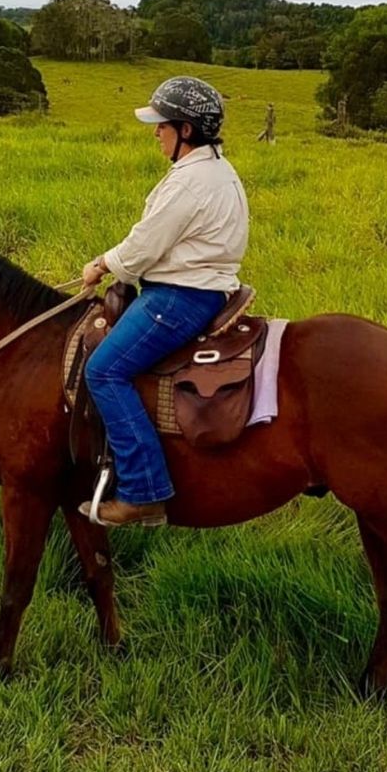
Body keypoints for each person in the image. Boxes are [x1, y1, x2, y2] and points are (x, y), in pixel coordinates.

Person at [79, 76, 249, 528]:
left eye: (162, 125)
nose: (156, 132)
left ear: (185, 131)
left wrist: (101, 264)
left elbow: (144, 246)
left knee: (104, 371)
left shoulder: (190, 182)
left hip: (180, 296)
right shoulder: (217, 170)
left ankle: (142, 492)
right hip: (204, 287)